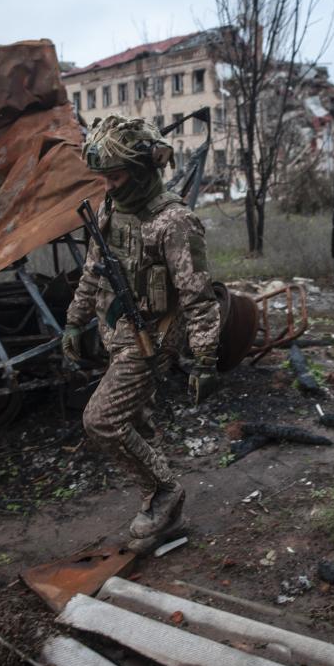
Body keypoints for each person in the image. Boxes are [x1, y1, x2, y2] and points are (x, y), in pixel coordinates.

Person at [61, 114, 222, 555]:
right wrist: (75, 320)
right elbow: (93, 271)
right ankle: (163, 511)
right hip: (118, 331)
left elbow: (199, 297)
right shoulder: (112, 209)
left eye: (114, 177)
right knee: (135, 421)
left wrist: (205, 359)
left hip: (153, 336)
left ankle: (165, 491)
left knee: (102, 421)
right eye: (104, 178)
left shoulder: (174, 222)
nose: (108, 186)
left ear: (142, 169)